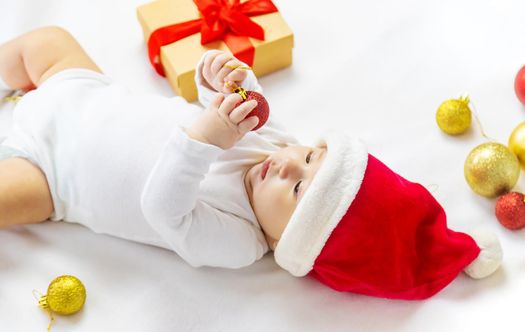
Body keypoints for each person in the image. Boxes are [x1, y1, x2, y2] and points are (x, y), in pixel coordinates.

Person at [0, 26, 503, 300]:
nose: (286, 165)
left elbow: (162, 209)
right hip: (85, 94)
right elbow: (237, 104)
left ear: (290, 240)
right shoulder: (270, 149)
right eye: (309, 155)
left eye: (299, 191)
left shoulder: (240, 240)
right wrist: (220, 78)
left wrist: (202, 140)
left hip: (53, 177)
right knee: (47, 42)